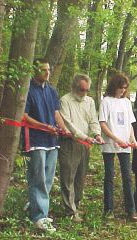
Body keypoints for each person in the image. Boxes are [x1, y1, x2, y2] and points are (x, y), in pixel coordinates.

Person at [23, 58, 68, 232]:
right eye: (43, 70)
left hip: (52, 141)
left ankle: (36, 206)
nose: (47, 72)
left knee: (48, 178)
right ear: (35, 70)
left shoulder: (52, 90)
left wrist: (63, 129)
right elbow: (24, 116)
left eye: (48, 69)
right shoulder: (27, 90)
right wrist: (44, 127)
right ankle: (39, 217)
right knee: (38, 177)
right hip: (36, 140)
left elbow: (56, 113)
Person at [58, 74, 105, 223]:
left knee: (81, 176)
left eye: (87, 90)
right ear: (74, 87)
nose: (84, 93)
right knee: (68, 176)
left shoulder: (89, 101)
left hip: (86, 143)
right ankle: (70, 211)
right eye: (81, 89)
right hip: (70, 141)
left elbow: (93, 119)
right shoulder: (64, 100)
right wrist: (85, 137)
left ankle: (76, 204)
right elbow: (68, 123)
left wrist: (97, 134)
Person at [99, 73, 137, 222]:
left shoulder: (127, 102)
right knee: (109, 176)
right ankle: (108, 209)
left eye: (125, 88)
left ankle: (131, 210)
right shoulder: (106, 101)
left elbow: (129, 124)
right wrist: (116, 139)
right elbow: (103, 124)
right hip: (110, 144)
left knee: (127, 177)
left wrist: (132, 140)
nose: (123, 90)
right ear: (114, 86)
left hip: (125, 145)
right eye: (120, 87)